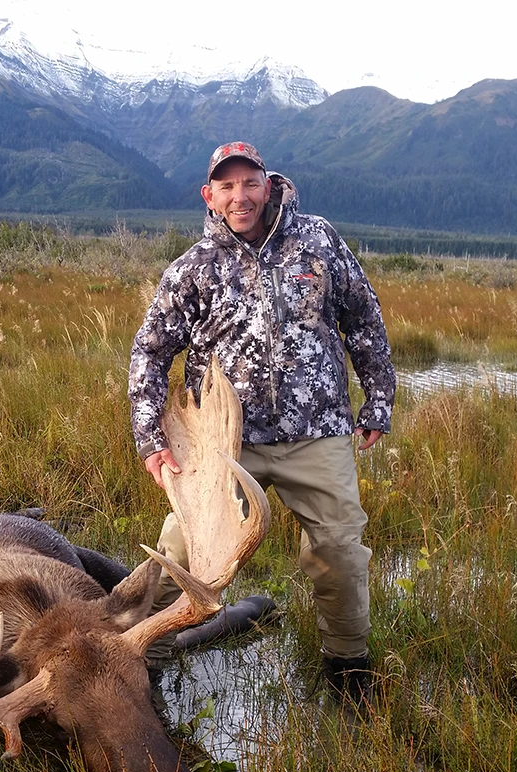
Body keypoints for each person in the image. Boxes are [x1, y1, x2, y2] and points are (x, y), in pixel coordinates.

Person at [129, 140, 397, 699]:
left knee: (340, 553)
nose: (240, 196)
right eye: (226, 187)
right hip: (222, 442)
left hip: (317, 430)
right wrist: (152, 436)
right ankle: (142, 664)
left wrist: (378, 398)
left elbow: (363, 316)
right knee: (179, 555)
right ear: (210, 196)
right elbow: (150, 353)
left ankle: (348, 672)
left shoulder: (318, 241)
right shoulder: (193, 270)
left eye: (249, 183)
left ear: (268, 185)